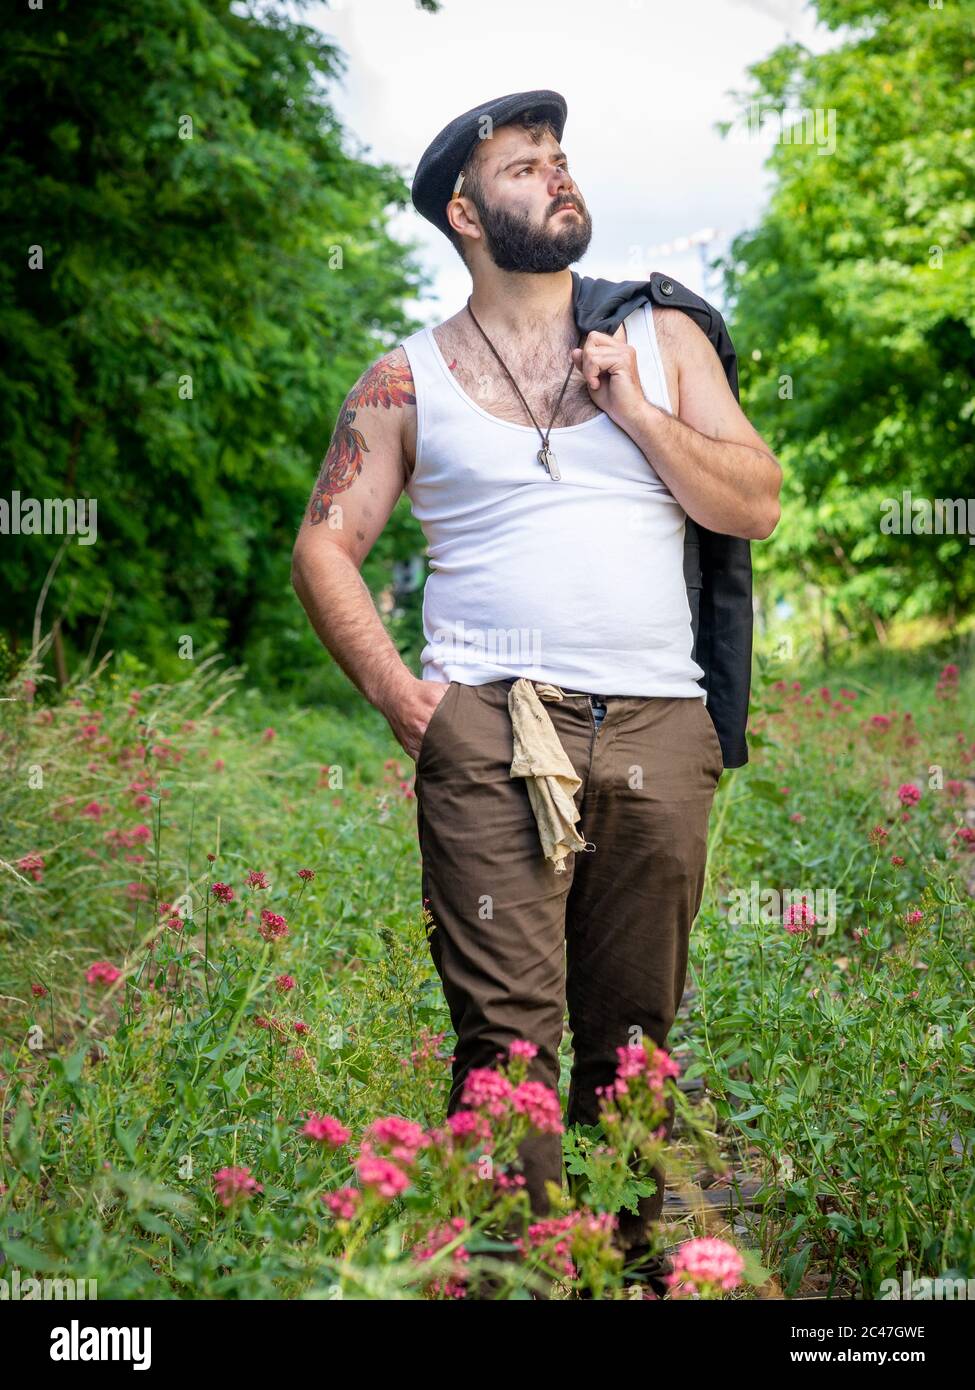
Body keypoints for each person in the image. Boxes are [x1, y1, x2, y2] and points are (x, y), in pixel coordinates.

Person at [291, 89, 782, 1296]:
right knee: (507, 1045)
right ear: (465, 211)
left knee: (632, 1048)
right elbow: (323, 545)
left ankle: (617, 1266)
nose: (556, 178)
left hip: (662, 727)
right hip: (494, 732)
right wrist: (413, 705)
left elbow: (752, 501)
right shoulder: (405, 380)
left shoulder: (663, 342)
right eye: (523, 168)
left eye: (560, 160)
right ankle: (522, 1279)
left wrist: (634, 408)